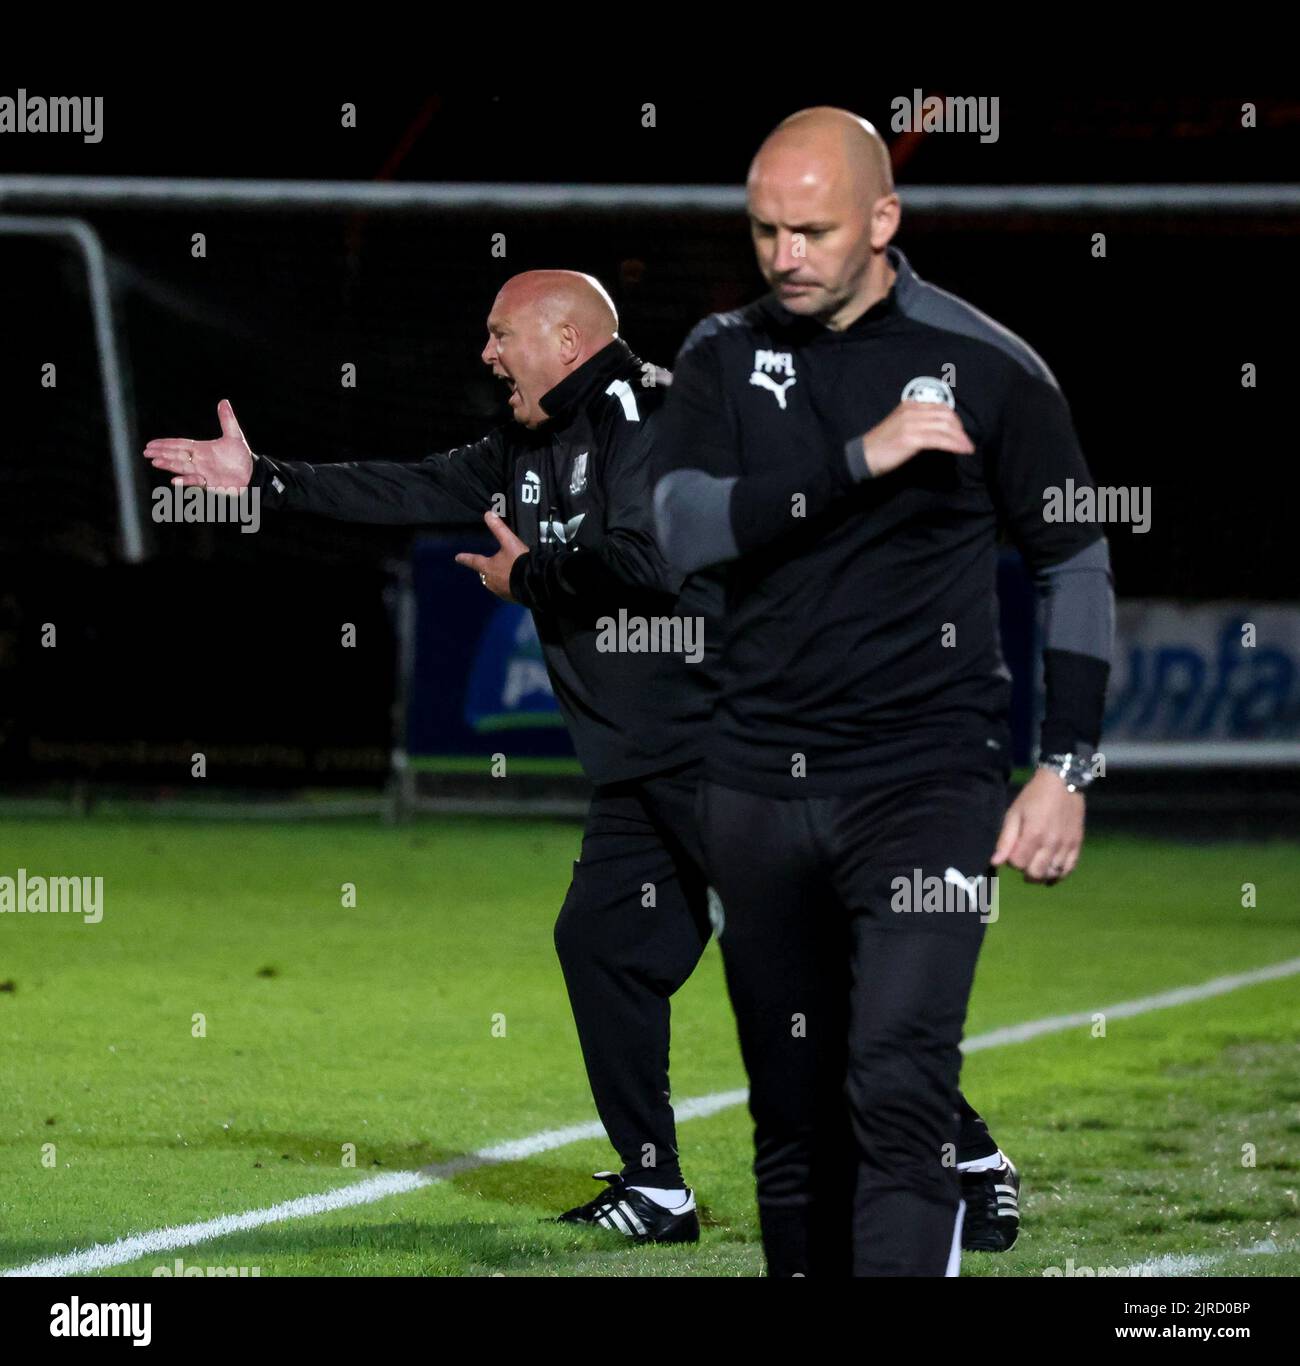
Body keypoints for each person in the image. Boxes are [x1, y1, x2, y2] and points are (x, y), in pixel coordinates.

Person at [143, 270, 717, 1243]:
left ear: (568, 339)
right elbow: (412, 483)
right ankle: (656, 1186)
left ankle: (958, 1151)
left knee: (808, 963)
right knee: (601, 945)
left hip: (725, 746)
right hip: (639, 766)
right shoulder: (526, 441)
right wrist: (269, 479)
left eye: (503, 336)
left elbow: (653, 557)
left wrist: (528, 573)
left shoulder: (647, 409)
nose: (488, 356)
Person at [652, 108, 1113, 1276]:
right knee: (793, 1116)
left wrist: (1066, 763)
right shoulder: (716, 355)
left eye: (811, 229)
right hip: (755, 782)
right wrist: (859, 458)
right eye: (763, 229)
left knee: (898, 1084)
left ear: (883, 222)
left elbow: (1075, 559)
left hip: (925, 777)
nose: (783, 255)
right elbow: (677, 529)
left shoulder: (993, 367)